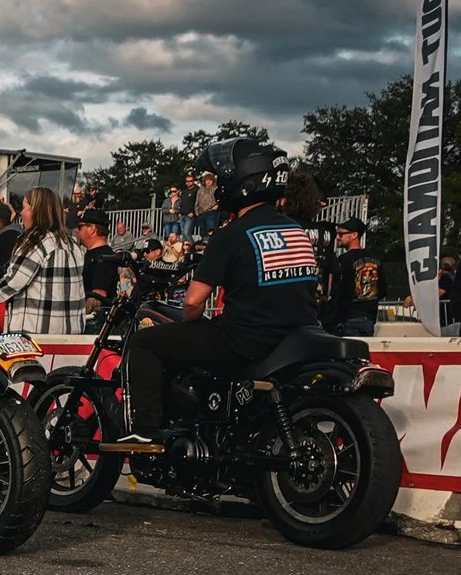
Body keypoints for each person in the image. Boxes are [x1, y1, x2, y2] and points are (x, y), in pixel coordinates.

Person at [106, 139, 318, 452]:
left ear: (240, 181)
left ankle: (145, 433)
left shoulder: (232, 233)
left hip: (245, 340)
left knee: (144, 342)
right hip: (295, 337)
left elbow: (193, 301)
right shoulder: (296, 231)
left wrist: (191, 319)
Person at [0, 186, 86, 336]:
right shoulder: (72, 245)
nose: (21, 213)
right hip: (70, 334)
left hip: (35, 335)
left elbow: (13, 282)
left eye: (25, 207)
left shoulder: (35, 243)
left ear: (36, 211)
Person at [322, 217, 383, 336]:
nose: (338, 237)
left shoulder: (344, 260)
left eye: (341, 234)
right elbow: (383, 290)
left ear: (354, 235)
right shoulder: (376, 260)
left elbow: (336, 289)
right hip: (369, 319)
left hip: (348, 318)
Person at [72, 205, 123, 330]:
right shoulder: (94, 255)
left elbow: (98, 296)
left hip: (94, 325)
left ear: (92, 229)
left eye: (81, 227)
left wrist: (75, 319)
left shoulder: (103, 258)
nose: (78, 231)